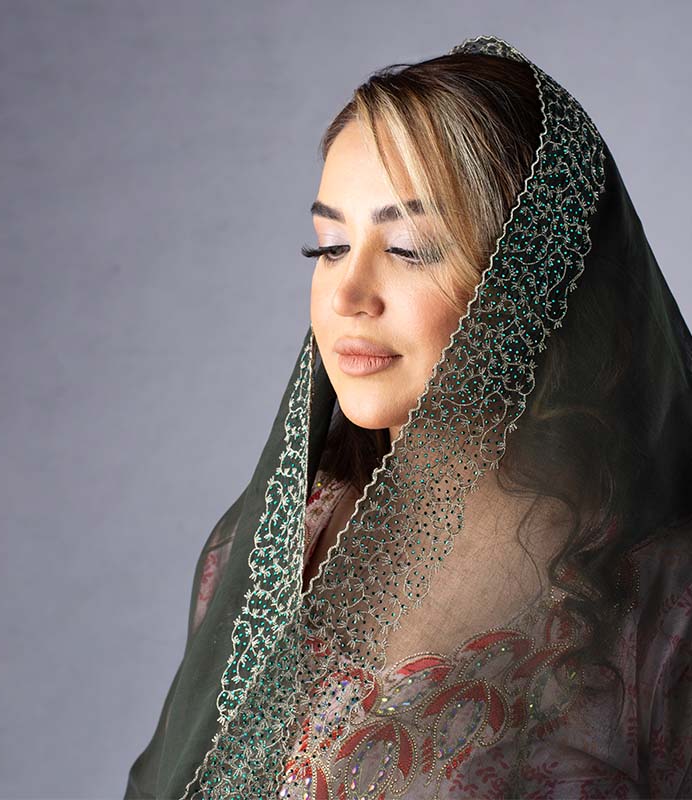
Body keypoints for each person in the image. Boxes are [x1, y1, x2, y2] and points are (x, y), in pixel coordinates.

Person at [123, 35, 692, 799]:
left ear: (529, 278)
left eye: (408, 248)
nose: (347, 294)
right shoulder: (269, 546)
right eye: (328, 247)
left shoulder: (656, 597)